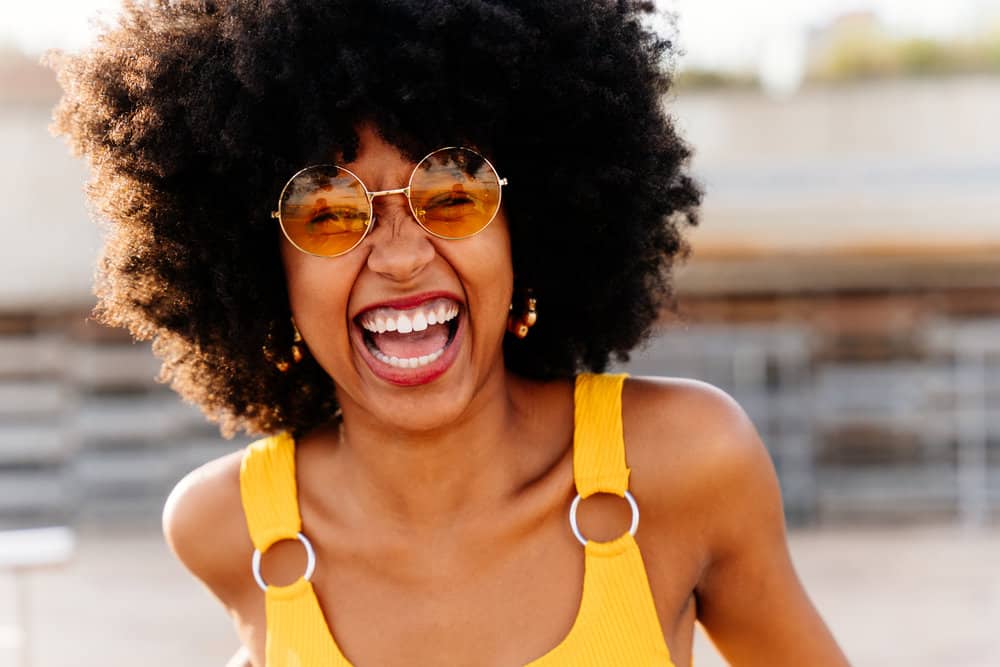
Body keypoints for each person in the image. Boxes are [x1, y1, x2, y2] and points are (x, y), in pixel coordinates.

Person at [50, 0, 849, 665]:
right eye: (327, 209)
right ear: (261, 270)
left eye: (453, 191)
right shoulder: (228, 530)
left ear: (526, 228)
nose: (399, 256)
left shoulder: (685, 463)